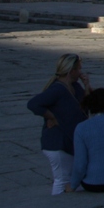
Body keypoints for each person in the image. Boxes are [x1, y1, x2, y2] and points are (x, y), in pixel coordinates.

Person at [27, 54, 90, 195]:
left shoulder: (74, 86)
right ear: (71, 71)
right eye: (78, 69)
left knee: (73, 178)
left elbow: (86, 104)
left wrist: (87, 86)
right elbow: (33, 104)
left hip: (69, 140)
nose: (80, 72)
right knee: (62, 179)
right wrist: (52, 117)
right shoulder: (58, 89)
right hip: (57, 143)